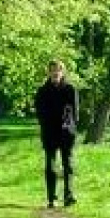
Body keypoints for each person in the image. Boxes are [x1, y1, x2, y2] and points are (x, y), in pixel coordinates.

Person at [34, 60, 79, 207]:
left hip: (67, 131)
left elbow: (74, 112)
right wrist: (46, 126)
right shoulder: (42, 91)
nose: (55, 73)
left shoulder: (70, 89)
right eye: (52, 70)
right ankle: (51, 197)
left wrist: (70, 129)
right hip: (50, 131)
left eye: (58, 70)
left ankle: (69, 195)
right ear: (48, 72)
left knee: (68, 164)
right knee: (51, 164)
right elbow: (40, 113)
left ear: (62, 72)